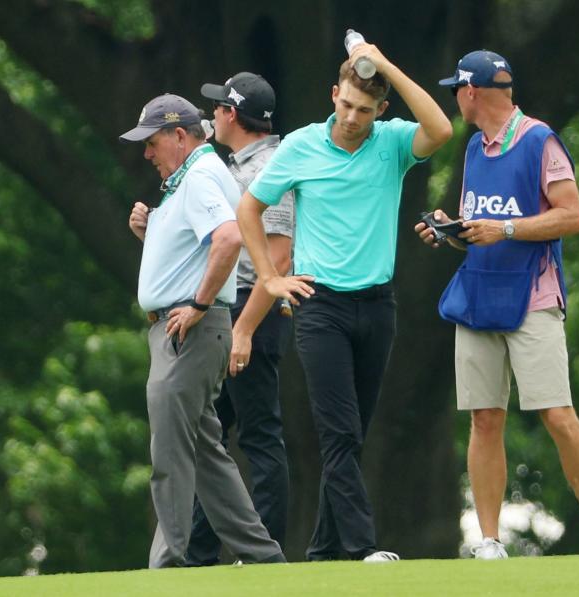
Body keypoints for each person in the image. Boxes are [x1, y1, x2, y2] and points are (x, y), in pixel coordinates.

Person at [236, 43, 453, 562]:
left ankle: (322, 552)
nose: (352, 118)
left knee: (352, 437)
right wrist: (267, 277)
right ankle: (360, 548)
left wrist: (386, 64)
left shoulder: (393, 144)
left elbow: (441, 129)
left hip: (378, 307)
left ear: (381, 110)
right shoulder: (302, 147)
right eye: (346, 104)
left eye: (364, 109)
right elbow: (250, 208)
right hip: (320, 307)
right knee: (338, 432)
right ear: (334, 95)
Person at [417, 50, 579, 559]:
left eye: (457, 89)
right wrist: (450, 231)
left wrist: (507, 228)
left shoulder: (540, 140)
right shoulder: (474, 148)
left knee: (557, 414)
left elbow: (572, 215)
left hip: (532, 296)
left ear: (471, 92)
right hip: (477, 295)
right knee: (484, 417)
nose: (455, 98)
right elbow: (482, 229)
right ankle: (490, 542)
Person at [121, 93, 285, 568]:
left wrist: (198, 303)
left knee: (170, 457)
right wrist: (149, 231)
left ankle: (167, 568)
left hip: (187, 329)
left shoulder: (199, 175)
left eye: (152, 143)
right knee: (207, 457)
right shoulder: (188, 180)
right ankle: (264, 558)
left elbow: (229, 237)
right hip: (182, 329)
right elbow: (192, 249)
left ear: (178, 135)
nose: (147, 154)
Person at [184, 73, 295, 564]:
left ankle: (263, 553)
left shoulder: (272, 167)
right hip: (232, 308)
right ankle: (198, 551)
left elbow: (279, 257)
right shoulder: (232, 166)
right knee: (211, 435)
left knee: (258, 434)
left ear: (232, 115)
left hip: (254, 310)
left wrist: (244, 329)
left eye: (217, 108)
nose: (211, 116)